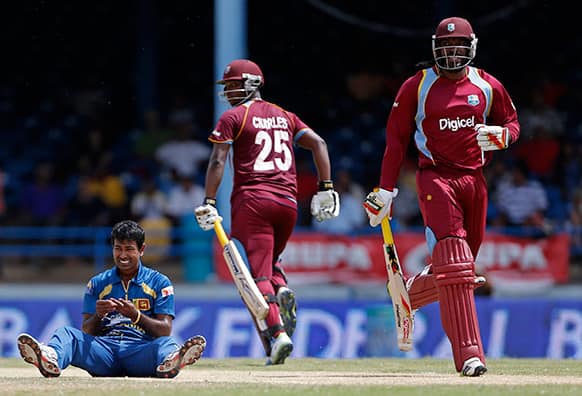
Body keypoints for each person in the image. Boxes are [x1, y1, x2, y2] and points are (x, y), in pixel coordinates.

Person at [363, 17, 520, 376]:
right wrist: (385, 189)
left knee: (461, 270)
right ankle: (469, 356)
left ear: (471, 48)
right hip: (435, 178)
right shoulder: (416, 86)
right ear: (435, 48)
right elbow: (395, 140)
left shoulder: (487, 85)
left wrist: (503, 136)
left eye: (458, 48)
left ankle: (411, 295)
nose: (451, 54)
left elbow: (513, 122)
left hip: (474, 180)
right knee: (456, 264)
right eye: (445, 47)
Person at [194, 59, 340, 365]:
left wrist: (208, 199)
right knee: (271, 264)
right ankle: (283, 288)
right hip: (288, 204)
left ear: (252, 83)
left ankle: (278, 335)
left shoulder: (234, 116)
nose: (229, 91)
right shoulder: (285, 115)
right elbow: (319, 144)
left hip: (253, 202)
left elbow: (218, 161)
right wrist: (326, 186)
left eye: (233, 84)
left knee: (255, 273)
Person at [17, 220, 206, 378]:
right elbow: (87, 330)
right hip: (104, 353)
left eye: (129, 249)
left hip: (140, 352)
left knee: (167, 343)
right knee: (66, 334)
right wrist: (99, 315)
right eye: (118, 248)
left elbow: (164, 330)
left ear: (142, 250)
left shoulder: (159, 282)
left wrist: (136, 315)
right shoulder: (98, 283)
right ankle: (50, 359)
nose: (123, 255)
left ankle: (170, 362)